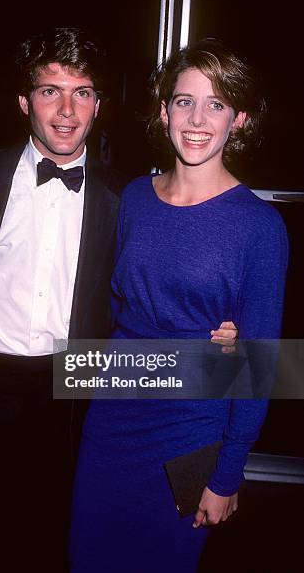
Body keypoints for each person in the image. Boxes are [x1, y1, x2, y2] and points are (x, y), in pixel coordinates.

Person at [0, 27, 237, 571]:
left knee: (45, 537)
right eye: (49, 91)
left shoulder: (124, 197)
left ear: (98, 104)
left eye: (81, 92)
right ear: (23, 101)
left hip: (70, 391)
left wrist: (225, 334)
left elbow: (154, 289)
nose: (65, 110)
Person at [69, 39, 289, 572]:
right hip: (113, 418)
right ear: (164, 110)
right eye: (184, 101)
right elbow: (117, 307)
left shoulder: (259, 228)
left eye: (216, 104)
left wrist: (227, 474)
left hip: (192, 432)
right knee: (86, 556)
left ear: (238, 119)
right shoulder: (135, 199)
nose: (197, 118)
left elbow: (259, 367)